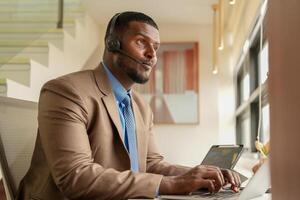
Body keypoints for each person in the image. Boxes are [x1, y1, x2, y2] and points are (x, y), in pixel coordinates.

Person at [17, 11, 240, 200]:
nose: (152, 55)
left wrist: (201, 175)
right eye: (142, 42)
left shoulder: (141, 107)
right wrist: (171, 184)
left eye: (156, 47)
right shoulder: (66, 91)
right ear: (112, 43)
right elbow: (76, 176)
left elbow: (152, 165)